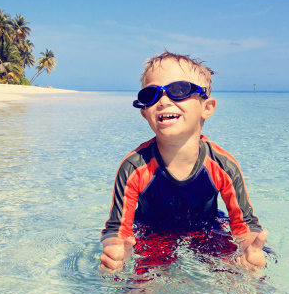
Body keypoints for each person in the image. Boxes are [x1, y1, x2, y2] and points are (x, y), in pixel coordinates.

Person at [99, 51, 269, 272]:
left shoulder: (222, 166)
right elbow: (117, 229)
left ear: (207, 107)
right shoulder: (134, 167)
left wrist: (248, 247)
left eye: (179, 90)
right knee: (142, 286)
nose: (163, 101)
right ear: (144, 113)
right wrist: (115, 249)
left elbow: (244, 224)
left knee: (241, 272)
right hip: (152, 234)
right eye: (151, 94)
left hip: (207, 231)